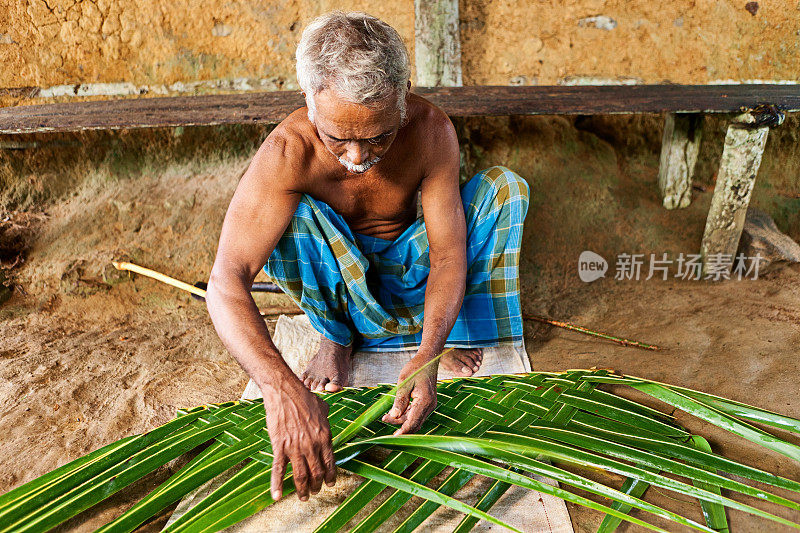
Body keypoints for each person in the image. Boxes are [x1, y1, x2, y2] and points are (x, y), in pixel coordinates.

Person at [205, 10, 529, 504]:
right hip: (340, 287)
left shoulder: (429, 129)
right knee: (289, 219)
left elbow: (446, 255)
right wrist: (281, 388)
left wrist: (427, 354)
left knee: (504, 190)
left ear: (402, 98)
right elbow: (225, 281)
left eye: (377, 136)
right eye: (340, 138)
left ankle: (449, 332)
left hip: (413, 276)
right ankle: (335, 334)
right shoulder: (287, 152)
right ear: (310, 102)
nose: (357, 157)